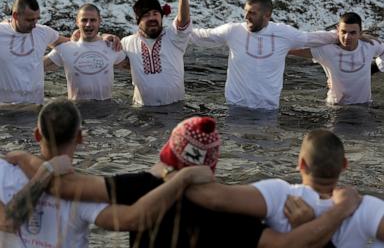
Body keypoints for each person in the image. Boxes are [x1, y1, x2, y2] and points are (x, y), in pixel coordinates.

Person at [5, 117, 361, 248]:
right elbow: (287, 244)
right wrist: (339, 211)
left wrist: (34, 161)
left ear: (168, 155)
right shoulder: (234, 210)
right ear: (213, 164)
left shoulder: (143, 184)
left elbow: (65, 187)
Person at [0, 100, 213, 247]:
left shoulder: (4, 171)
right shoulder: (82, 193)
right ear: (81, 137)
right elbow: (133, 219)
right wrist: (183, 178)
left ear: (37, 134)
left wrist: (32, 163)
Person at [185, 129, 384, 247]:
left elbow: (216, 199)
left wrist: (172, 174)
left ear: (301, 163)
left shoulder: (280, 195)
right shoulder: (362, 206)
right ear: (345, 165)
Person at [190, 0, 340, 110]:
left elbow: (311, 39)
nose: (246, 17)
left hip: (268, 110)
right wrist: (177, 30)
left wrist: (341, 35)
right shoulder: (233, 31)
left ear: (267, 15)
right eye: (246, 11)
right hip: (235, 108)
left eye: (252, 13)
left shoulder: (283, 33)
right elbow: (202, 36)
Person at [121, 0, 191, 106]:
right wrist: (103, 36)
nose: (152, 18)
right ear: (138, 21)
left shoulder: (174, 36)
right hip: (141, 112)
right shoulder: (127, 43)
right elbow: (106, 56)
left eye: (155, 13)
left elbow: (183, 21)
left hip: (175, 110)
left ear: (161, 16)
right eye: (146, 15)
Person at [289, 12, 384, 105]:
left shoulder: (370, 45)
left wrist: (376, 67)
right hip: (337, 107)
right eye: (343, 32)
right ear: (337, 30)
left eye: (352, 33)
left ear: (360, 33)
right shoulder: (326, 50)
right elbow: (291, 49)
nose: (347, 37)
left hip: (364, 105)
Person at [44, 4, 129, 101]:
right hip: (77, 110)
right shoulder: (65, 49)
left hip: (106, 110)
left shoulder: (112, 47)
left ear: (99, 21)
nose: (88, 24)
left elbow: (135, 68)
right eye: (84, 20)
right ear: (77, 22)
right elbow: (36, 67)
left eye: (93, 20)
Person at [0, 0, 68, 104]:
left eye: (37, 19)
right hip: (5, 110)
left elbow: (71, 45)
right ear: (15, 15)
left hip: (34, 107)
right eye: (29, 20)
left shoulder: (43, 32)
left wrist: (101, 37)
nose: (34, 25)